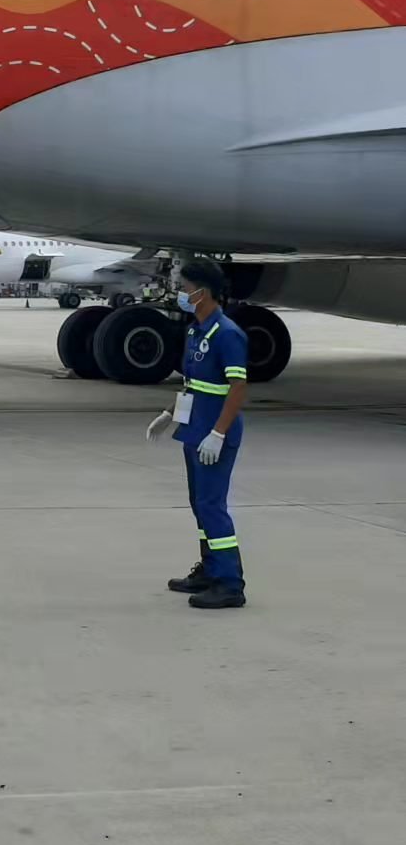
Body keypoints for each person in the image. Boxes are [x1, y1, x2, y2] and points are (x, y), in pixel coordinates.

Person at [147, 258, 250, 608]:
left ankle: (230, 583)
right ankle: (210, 569)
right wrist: (169, 414)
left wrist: (219, 433)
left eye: (185, 289)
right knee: (199, 504)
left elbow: (237, 387)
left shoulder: (227, 334)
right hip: (194, 430)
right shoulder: (196, 331)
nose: (181, 294)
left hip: (213, 434)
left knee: (211, 505)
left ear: (202, 293)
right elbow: (194, 385)